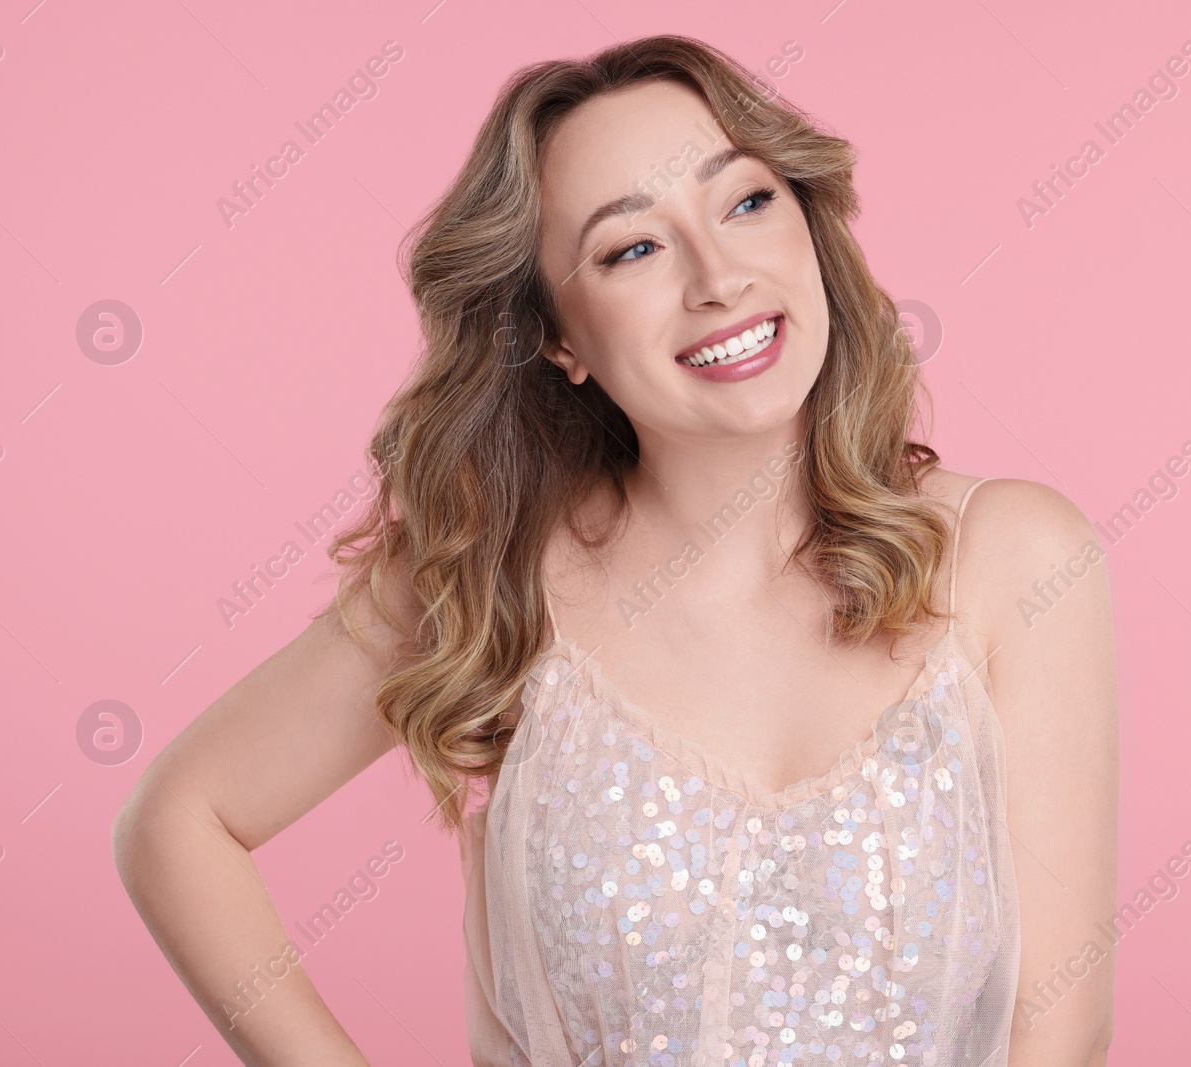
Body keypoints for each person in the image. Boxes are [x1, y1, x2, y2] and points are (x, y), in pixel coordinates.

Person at [113, 34, 1118, 1067]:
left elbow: (1061, 1027)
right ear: (559, 338)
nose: (719, 276)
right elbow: (179, 820)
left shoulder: (1014, 555)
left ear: (808, 223)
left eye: (746, 201)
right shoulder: (492, 573)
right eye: (632, 248)